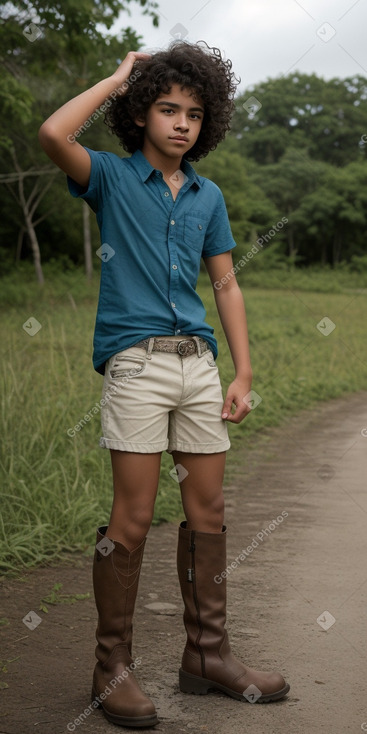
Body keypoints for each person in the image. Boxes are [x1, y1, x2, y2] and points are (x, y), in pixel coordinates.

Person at [39, 40, 290, 729]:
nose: (181, 123)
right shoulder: (111, 179)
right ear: (140, 115)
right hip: (136, 364)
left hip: (197, 365)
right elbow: (53, 133)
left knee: (207, 512)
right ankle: (110, 668)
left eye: (194, 113)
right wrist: (117, 78)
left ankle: (206, 656)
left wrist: (241, 370)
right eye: (167, 108)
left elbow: (226, 283)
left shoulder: (209, 196)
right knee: (134, 516)